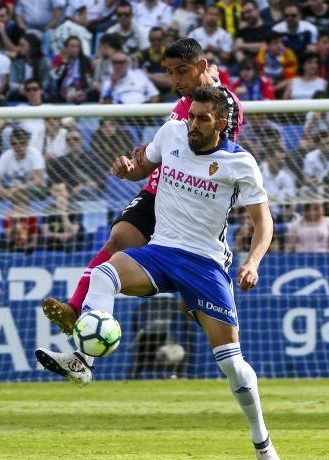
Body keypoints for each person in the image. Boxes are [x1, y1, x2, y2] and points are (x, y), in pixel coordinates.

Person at [35, 85, 282, 460]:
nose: (193, 125)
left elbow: (263, 222)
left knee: (232, 364)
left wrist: (253, 262)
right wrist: (126, 169)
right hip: (162, 250)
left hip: (205, 265)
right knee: (104, 273)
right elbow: (142, 166)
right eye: (191, 116)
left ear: (221, 124)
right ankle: (84, 362)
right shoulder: (171, 135)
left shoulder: (240, 164)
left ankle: (262, 443)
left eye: (203, 119)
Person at [41, 38, 243, 336]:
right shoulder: (182, 103)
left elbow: (212, 153)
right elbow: (160, 154)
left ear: (200, 67)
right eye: (170, 72)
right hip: (156, 191)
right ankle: (75, 310)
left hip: (189, 198)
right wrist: (133, 168)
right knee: (116, 241)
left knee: (186, 269)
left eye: (181, 72)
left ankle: (198, 296)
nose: (175, 80)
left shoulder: (226, 105)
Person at [0, 128, 45, 203]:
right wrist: (4, 192)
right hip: (11, 189)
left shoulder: (35, 154)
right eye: (14, 144)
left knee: (23, 194)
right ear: (10, 145)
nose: (18, 146)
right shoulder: (6, 155)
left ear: (27, 143)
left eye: (22, 143)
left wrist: (19, 189)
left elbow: (38, 181)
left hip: (32, 189)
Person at [40, 181, 83, 252]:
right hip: (54, 240)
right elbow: (45, 232)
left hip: (72, 240)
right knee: (41, 242)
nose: (58, 194)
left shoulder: (75, 208)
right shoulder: (47, 209)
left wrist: (62, 211)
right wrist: (60, 235)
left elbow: (73, 231)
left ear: (67, 192)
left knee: (71, 243)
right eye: (55, 191)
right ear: (51, 192)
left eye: (61, 191)